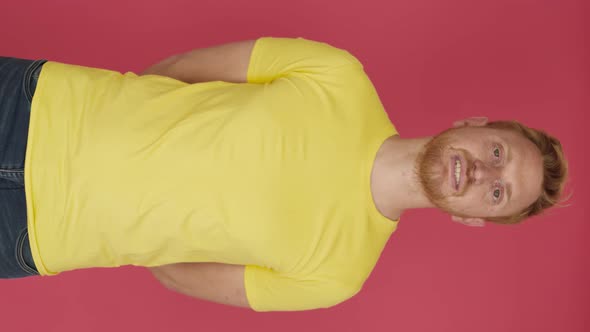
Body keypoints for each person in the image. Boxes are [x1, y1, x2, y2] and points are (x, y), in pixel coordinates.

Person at [0, 37, 568, 312]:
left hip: (30, 235)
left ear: (473, 219)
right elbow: (176, 73)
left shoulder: (337, 277)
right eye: (497, 151)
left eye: (499, 192)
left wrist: (127, 212)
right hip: (35, 104)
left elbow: (174, 273)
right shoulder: (339, 74)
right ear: (472, 124)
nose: (481, 174)